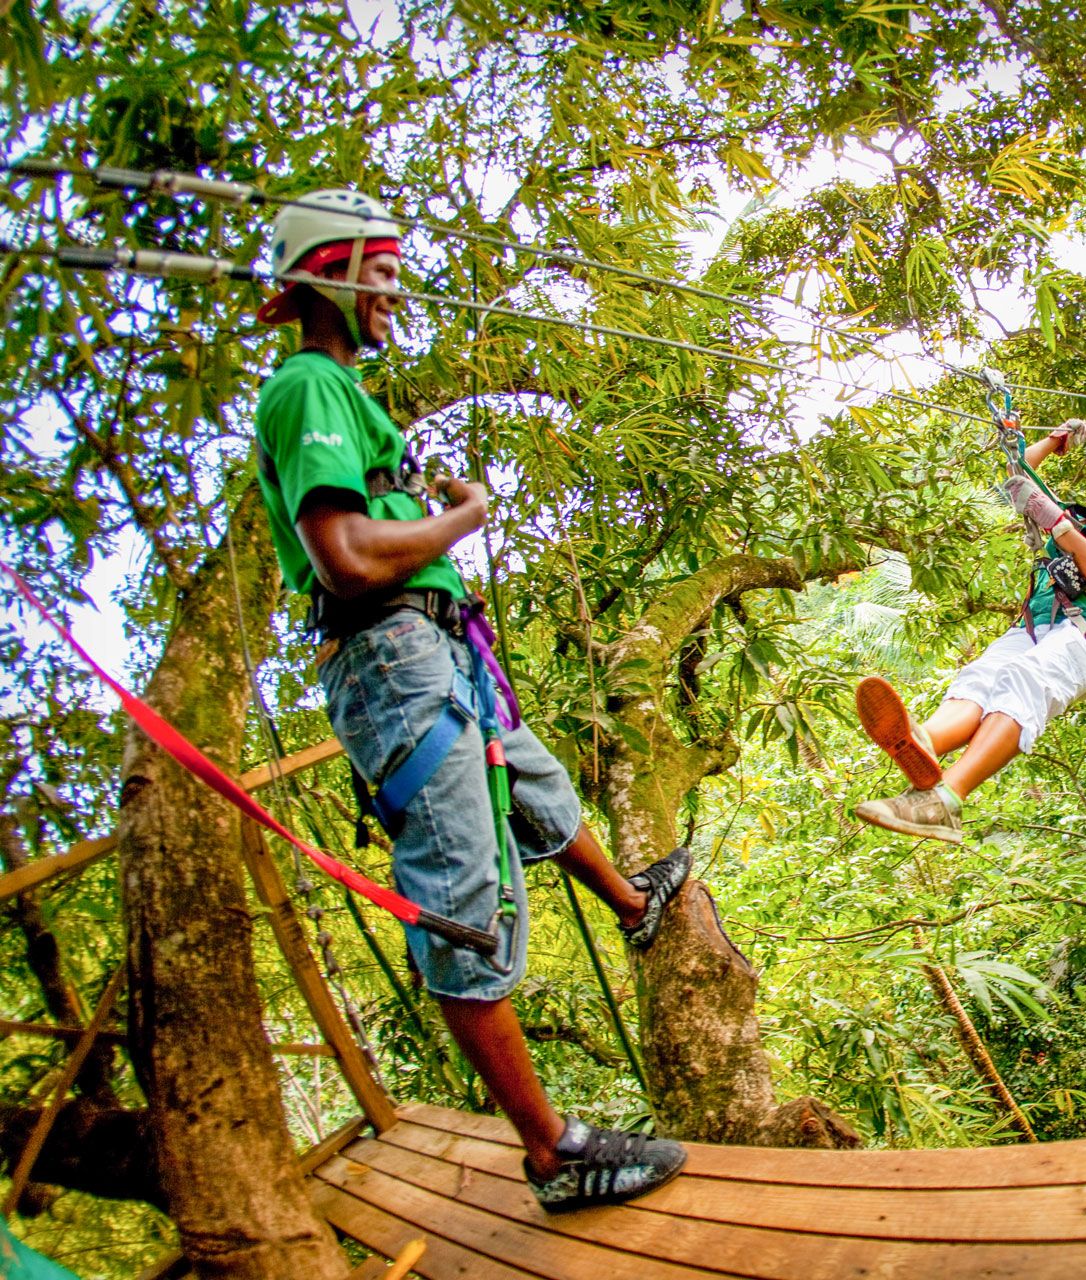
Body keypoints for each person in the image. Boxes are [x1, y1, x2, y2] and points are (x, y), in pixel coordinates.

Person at [252, 189, 690, 1210]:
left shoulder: (348, 399)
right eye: (384, 272)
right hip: (393, 658)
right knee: (462, 899)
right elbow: (349, 555)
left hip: (433, 652)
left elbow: (377, 535)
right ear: (332, 272)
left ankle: (632, 901)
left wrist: (441, 533)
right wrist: (466, 520)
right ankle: (552, 1154)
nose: (394, 293)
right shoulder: (312, 383)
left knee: (532, 781)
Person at [852, 419, 1086, 843]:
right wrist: (1055, 442)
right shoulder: (1072, 514)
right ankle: (923, 741)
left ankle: (947, 800)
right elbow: (1017, 472)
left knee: (1025, 680)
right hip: (1034, 626)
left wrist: (1056, 521)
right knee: (980, 679)